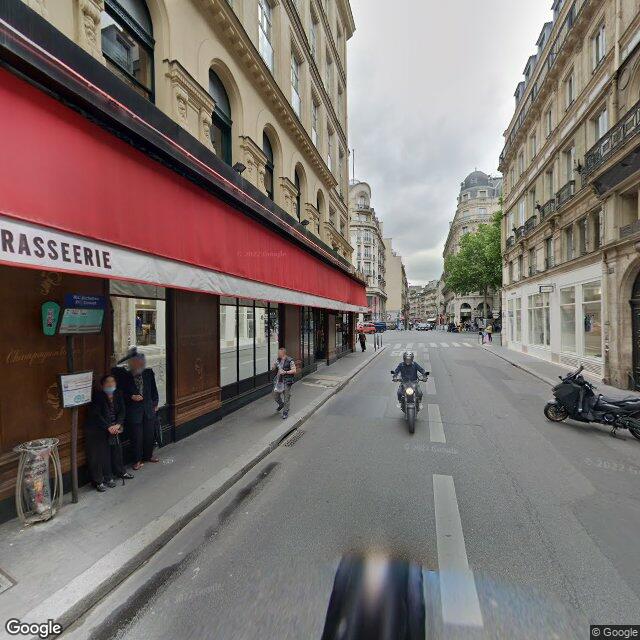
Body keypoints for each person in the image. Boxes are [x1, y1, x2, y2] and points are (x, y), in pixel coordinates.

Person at [85, 375, 134, 492]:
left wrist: (118, 424)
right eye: (107, 382)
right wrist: (108, 427)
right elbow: (96, 415)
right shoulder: (97, 396)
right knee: (101, 455)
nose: (110, 384)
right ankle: (101, 480)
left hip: (114, 427)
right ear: (102, 385)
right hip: (98, 429)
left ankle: (120, 472)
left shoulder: (118, 394)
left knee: (117, 450)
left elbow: (122, 411)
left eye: (113, 382)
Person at [113, 350, 159, 470]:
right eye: (135, 362)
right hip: (134, 410)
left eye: (140, 362)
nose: (138, 364)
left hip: (148, 409)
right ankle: (137, 460)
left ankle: (148, 456)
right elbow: (120, 393)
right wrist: (131, 396)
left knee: (149, 434)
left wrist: (155, 403)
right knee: (136, 437)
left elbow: (154, 390)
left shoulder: (148, 373)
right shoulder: (126, 376)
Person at [272, 347, 296, 420]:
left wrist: (285, 372)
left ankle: (285, 412)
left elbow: (294, 370)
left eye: (279, 353)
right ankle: (281, 404)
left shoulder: (290, 360)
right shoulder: (278, 360)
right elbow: (273, 369)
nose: (278, 354)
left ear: (283, 353)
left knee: (286, 398)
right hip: (278, 381)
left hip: (286, 381)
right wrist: (273, 365)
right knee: (275, 396)